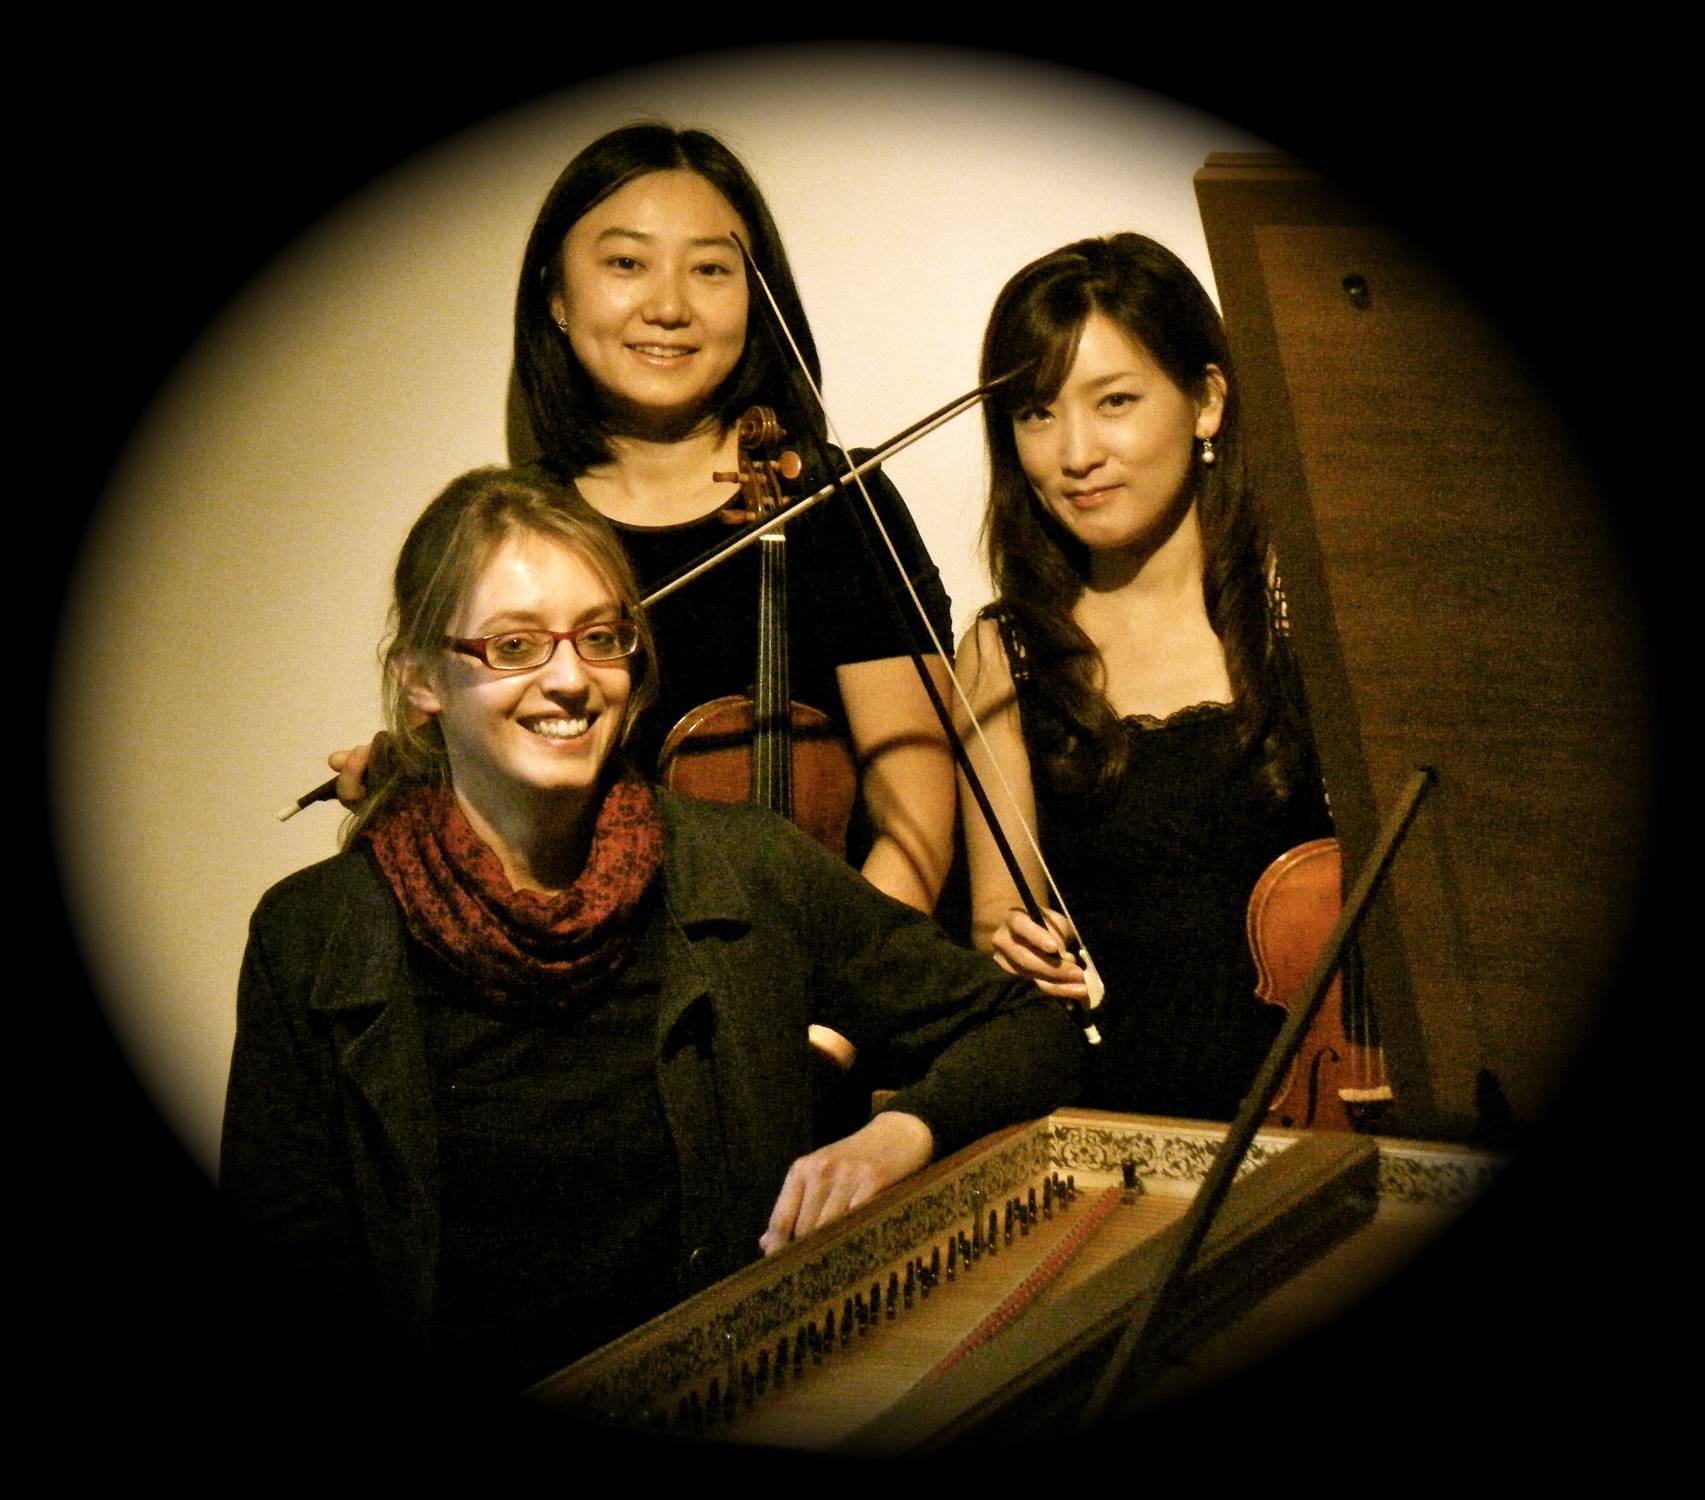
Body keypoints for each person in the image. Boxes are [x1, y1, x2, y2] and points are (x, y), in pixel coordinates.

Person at [224, 468, 1083, 1397]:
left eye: (600, 637)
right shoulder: (312, 933)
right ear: (422, 677)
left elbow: (1025, 1029)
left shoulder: (745, 865)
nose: (569, 680)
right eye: (514, 645)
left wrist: (901, 1132)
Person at [336, 123, 956, 916]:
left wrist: (844, 981)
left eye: (710, 269)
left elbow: (916, 819)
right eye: (626, 264)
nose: (668, 307)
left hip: (840, 967)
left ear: (757, 297)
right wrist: (426, 773)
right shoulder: (517, 531)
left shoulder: (833, 501)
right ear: (557, 296)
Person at [953, 234, 1330, 1122]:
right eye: (1036, 414)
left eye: (1114, 401)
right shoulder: (1003, 652)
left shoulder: (1308, 615)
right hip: (1117, 1113)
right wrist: (1012, 946)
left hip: (1326, 1100)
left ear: (1206, 401)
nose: (1075, 452)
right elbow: (996, 915)